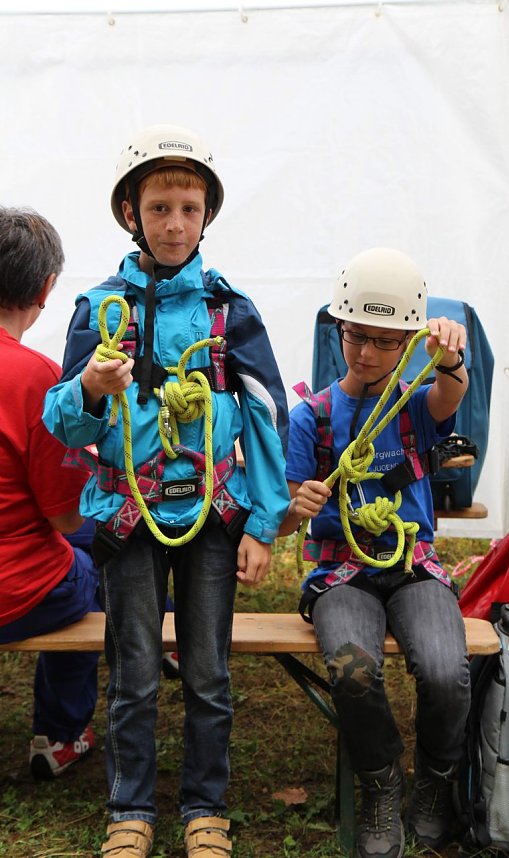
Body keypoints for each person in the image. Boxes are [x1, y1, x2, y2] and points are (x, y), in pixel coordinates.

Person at [43, 124, 290, 858]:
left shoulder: (227, 310)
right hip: (127, 512)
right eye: (159, 207)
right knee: (136, 672)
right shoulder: (99, 308)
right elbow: (61, 420)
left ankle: (204, 806)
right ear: (130, 212)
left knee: (208, 672)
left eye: (188, 207)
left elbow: (266, 414)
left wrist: (263, 522)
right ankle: (130, 809)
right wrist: (90, 384)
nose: (175, 223)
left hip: (210, 514)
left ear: (206, 214)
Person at [279, 247, 471, 858]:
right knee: (353, 670)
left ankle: (435, 782)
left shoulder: (417, 404)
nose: (365, 353)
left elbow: (449, 394)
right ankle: (382, 782)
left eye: (386, 342)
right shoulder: (312, 415)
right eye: (356, 336)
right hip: (342, 572)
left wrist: (450, 357)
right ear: (340, 330)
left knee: (445, 672)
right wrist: (297, 508)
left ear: (408, 342)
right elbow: (283, 520)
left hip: (414, 566)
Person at [0, 206, 100, 780]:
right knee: (94, 554)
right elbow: (62, 517)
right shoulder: (38, 378)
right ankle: (60, 736)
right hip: (15, 592)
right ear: (46, 287)